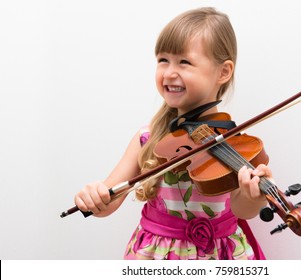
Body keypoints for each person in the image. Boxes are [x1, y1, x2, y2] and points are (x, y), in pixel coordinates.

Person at [74, 7, 274, 260]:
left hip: (221, 256)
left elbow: (242, 209)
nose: (169, 72)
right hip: (155, 256)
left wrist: (251, 196)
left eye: (184, 62)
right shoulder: (148, 138)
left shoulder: (236, 144)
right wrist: (94, 195)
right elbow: (109, 200)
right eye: (163, 60)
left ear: (223, 72)